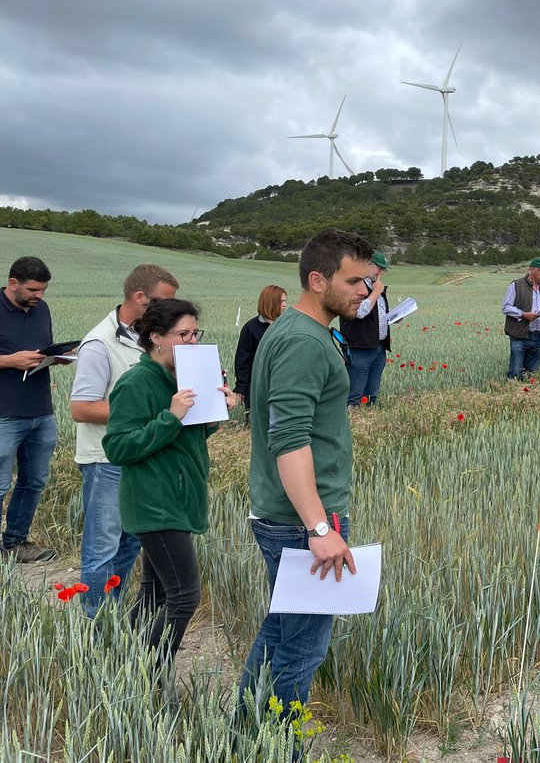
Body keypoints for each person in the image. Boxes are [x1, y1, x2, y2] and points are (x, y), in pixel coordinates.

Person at [239, 228, 372, 711]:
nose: (365, 291)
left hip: (290, 515)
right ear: (318, 280)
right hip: (301, 522)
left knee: (279, 633)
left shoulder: (299, 331)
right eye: (355, 280)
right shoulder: (303, 342)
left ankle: (248, 734)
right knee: (301, 652)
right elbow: (289, 439)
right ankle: (280, 747)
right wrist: (319, 526)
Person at [102, 298, 235, 663]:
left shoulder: (184, 380)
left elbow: (183, 441)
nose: (193, 342)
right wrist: (171, 416)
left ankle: (115, 663)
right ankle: (151, 672)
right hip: (154, 501)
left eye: (195, 333)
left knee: (154, 596)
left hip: (178, 495)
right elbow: (117, 447)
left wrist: (214, 414)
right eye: (183, 334)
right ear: (156, 337)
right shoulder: (137, 382)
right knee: (185, 594)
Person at [70, 263, 179, 615]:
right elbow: (82, 408)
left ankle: (112, 621)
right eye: (163, 303)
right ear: (139, 298)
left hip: (139, 457)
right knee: (102, 548)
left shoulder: (148, 341)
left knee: (129, 546)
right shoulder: (99, 343)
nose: (169, 312)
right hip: (106, 461)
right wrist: (147, 412)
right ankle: (94, 626)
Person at [0, 256, 68, 563]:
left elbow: (43, 348)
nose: (39, 296)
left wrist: (58, 357)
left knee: (34, 481)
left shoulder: (42, 309)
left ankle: (16, 543)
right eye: (33, 290)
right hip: (4, 413)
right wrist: (9, 361)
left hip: (41, 411)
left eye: (43, 290)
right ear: (13, 283)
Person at [339, 251, 391, 407]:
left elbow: (377, 314)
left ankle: (369, 424)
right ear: (368, 265)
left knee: (371, 395)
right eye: (379, 268)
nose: (381, 273)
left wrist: (393, 317)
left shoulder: (376, 288)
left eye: (384, 270)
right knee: (354, 395)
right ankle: (354, 425)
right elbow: (359, 313)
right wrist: (375, 292)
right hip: (359, 348)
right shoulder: (354, 285)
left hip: (378, 347)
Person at [233, 285, 288, 407]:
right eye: (281, 301)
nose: (285, 305)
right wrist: (241, 386)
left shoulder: (287, 326)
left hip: (284, 388)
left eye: (285, 301)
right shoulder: (250, 328)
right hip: (257, 389)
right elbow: (243, 360)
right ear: (271, 303)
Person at [502, 257, 540, 380]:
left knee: (532, 373)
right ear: (532, 270)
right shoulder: (516, 285)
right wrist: (523, 314)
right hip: (520, 335)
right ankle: (513, 394)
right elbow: (506, 307)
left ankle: (529, 395)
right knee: (516, 372)